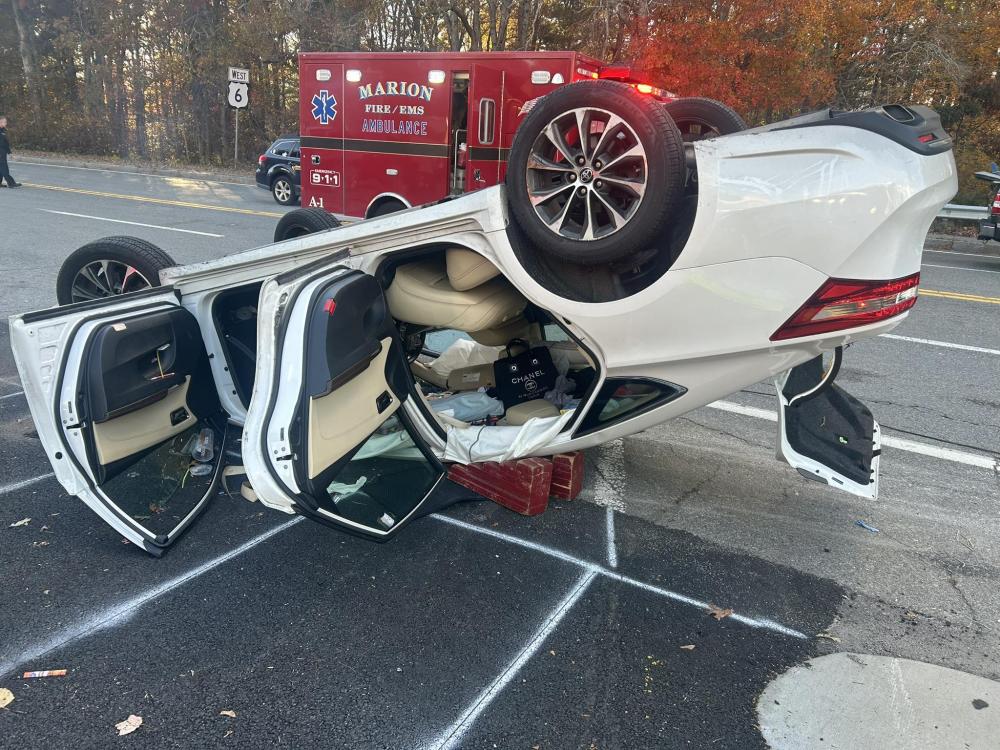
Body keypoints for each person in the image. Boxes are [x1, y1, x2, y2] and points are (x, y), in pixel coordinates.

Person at [0, 116, 21, 188]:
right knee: (4, 168)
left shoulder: (3, 130)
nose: (6, 123)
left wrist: (10, 153)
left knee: (1, 167)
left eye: (6, 122)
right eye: (4, 122)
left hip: (3, 151)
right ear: (0, 122)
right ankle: (11, 183)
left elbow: (5, 143)